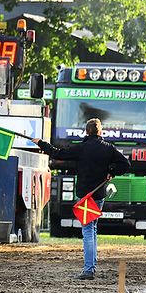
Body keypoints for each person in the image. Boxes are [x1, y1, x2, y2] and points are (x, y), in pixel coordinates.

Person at [32, 118, 130, 280]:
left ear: (86, 132)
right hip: (98, 195)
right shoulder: (108, 149)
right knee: (92, 229)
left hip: (84, 196)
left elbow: (58, 153)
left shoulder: (81, 148)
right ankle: (91, 265)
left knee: (88, 231)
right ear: (100, 132)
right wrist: (111, 171)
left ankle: (89, 269)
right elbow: (125, 164)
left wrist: (41, 143)